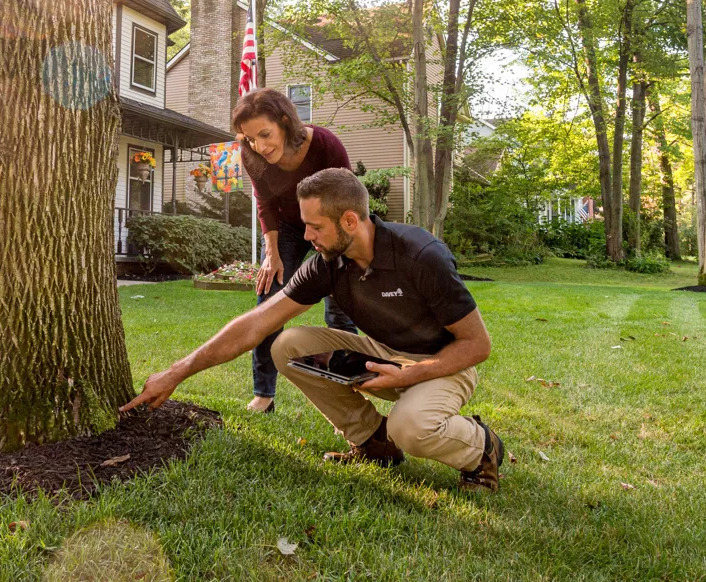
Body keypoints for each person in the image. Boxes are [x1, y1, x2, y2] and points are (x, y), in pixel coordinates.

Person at [121, 168, 508, 492]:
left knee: (411, 426)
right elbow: (257, 324)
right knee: (287, 345)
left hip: (444, 363)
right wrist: (177, 372)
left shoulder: (421, 256)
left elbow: (477, 345)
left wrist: (413, 372)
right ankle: (374, 442)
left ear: (350, 221)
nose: (306, 236)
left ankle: (482, 448)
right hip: (382, 352)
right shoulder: (328, 261)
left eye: (314, 226)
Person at [232, 88, 357, 414]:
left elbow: (345, 200)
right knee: (268, 301)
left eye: (265, 134)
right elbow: (265, 201)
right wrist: (271, 252)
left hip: (331, 224)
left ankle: (348, 385)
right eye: (250, 138)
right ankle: (263, 394)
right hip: (286, 226)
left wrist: (333, 247)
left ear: (285, 123)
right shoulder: (251, 152)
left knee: (340, 305)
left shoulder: (327, 146)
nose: (259, 145)